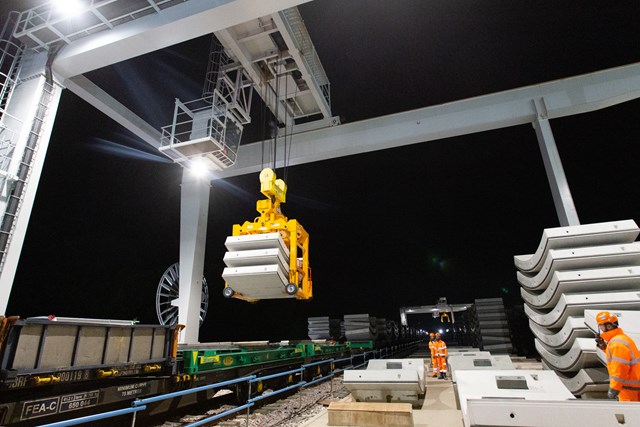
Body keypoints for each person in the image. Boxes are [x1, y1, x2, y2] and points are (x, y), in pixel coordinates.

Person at [595, 311, 640, 401]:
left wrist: (614, 388)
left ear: (608, 326)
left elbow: (620, 367)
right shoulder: (621, 339)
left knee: (630, 414)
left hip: (629, 391)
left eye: (601, 326)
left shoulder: (617, 343)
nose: (600, 328)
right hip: (633, 388)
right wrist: (604, 347)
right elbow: (617, 357)